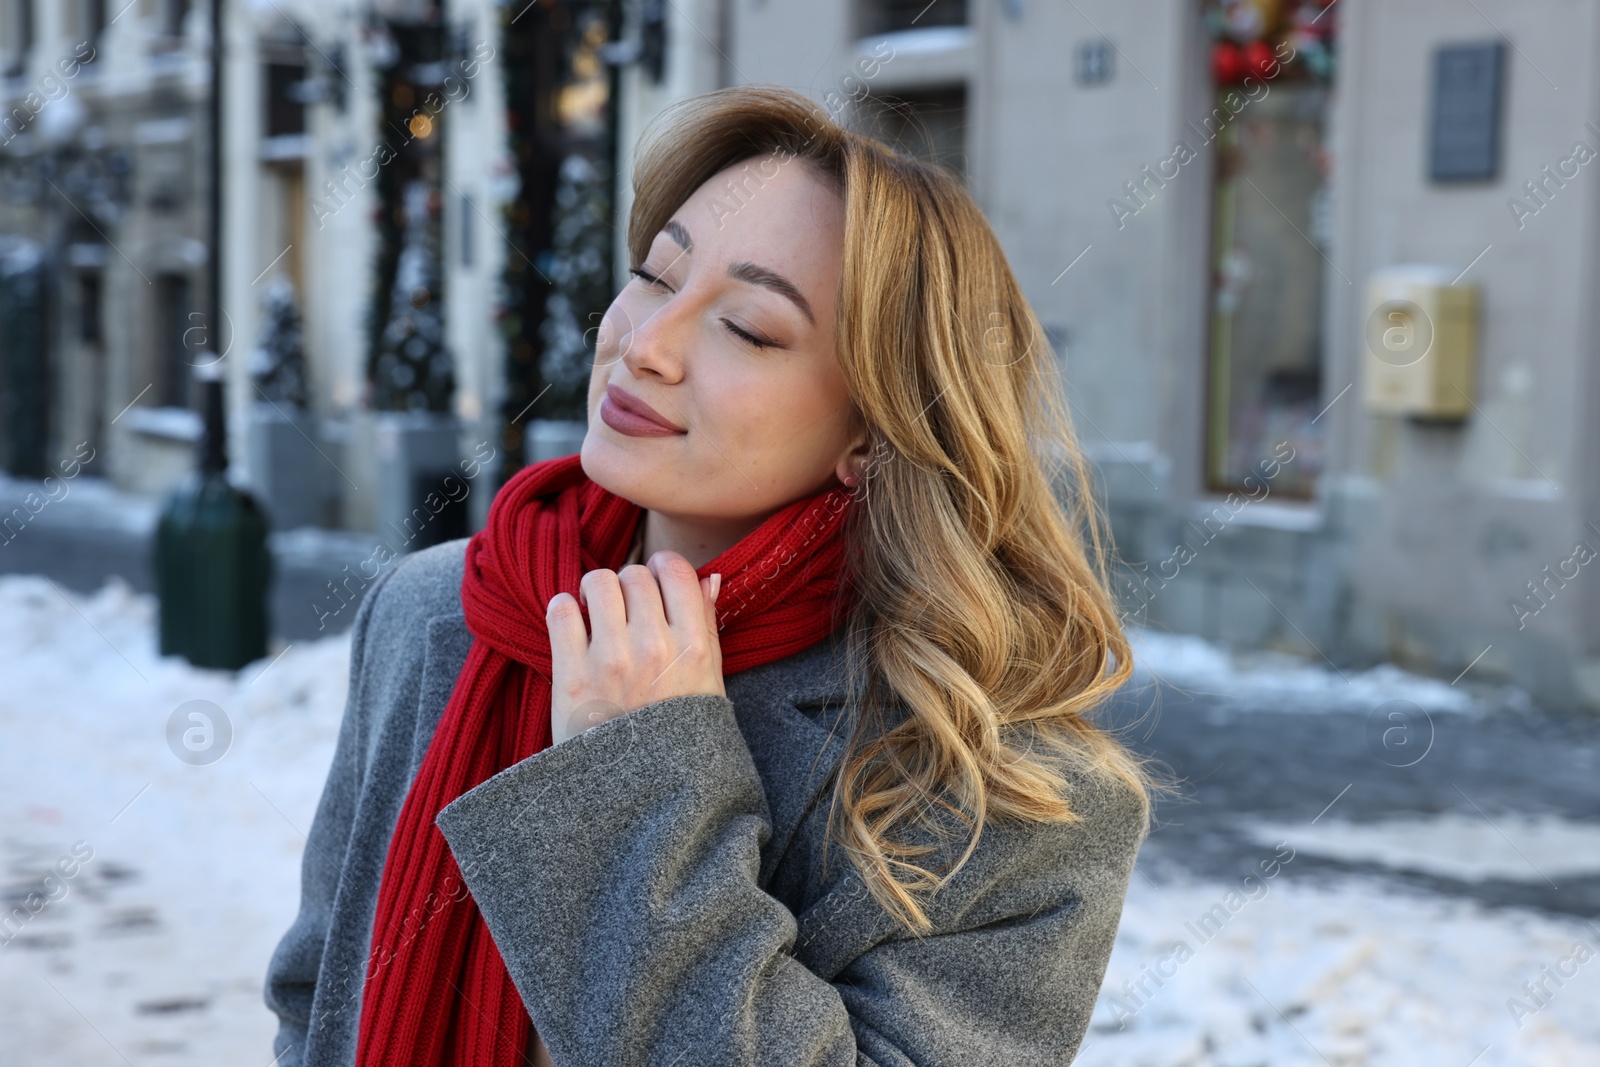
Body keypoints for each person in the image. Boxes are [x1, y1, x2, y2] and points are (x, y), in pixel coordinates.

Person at [265, 82, 1154, 1067]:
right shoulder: (437, 611)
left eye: (749, 328)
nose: (642, 343)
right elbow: (320, 996)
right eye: (653, 276)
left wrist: (639, 770)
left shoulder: (1003, 790)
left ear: (871, 430)